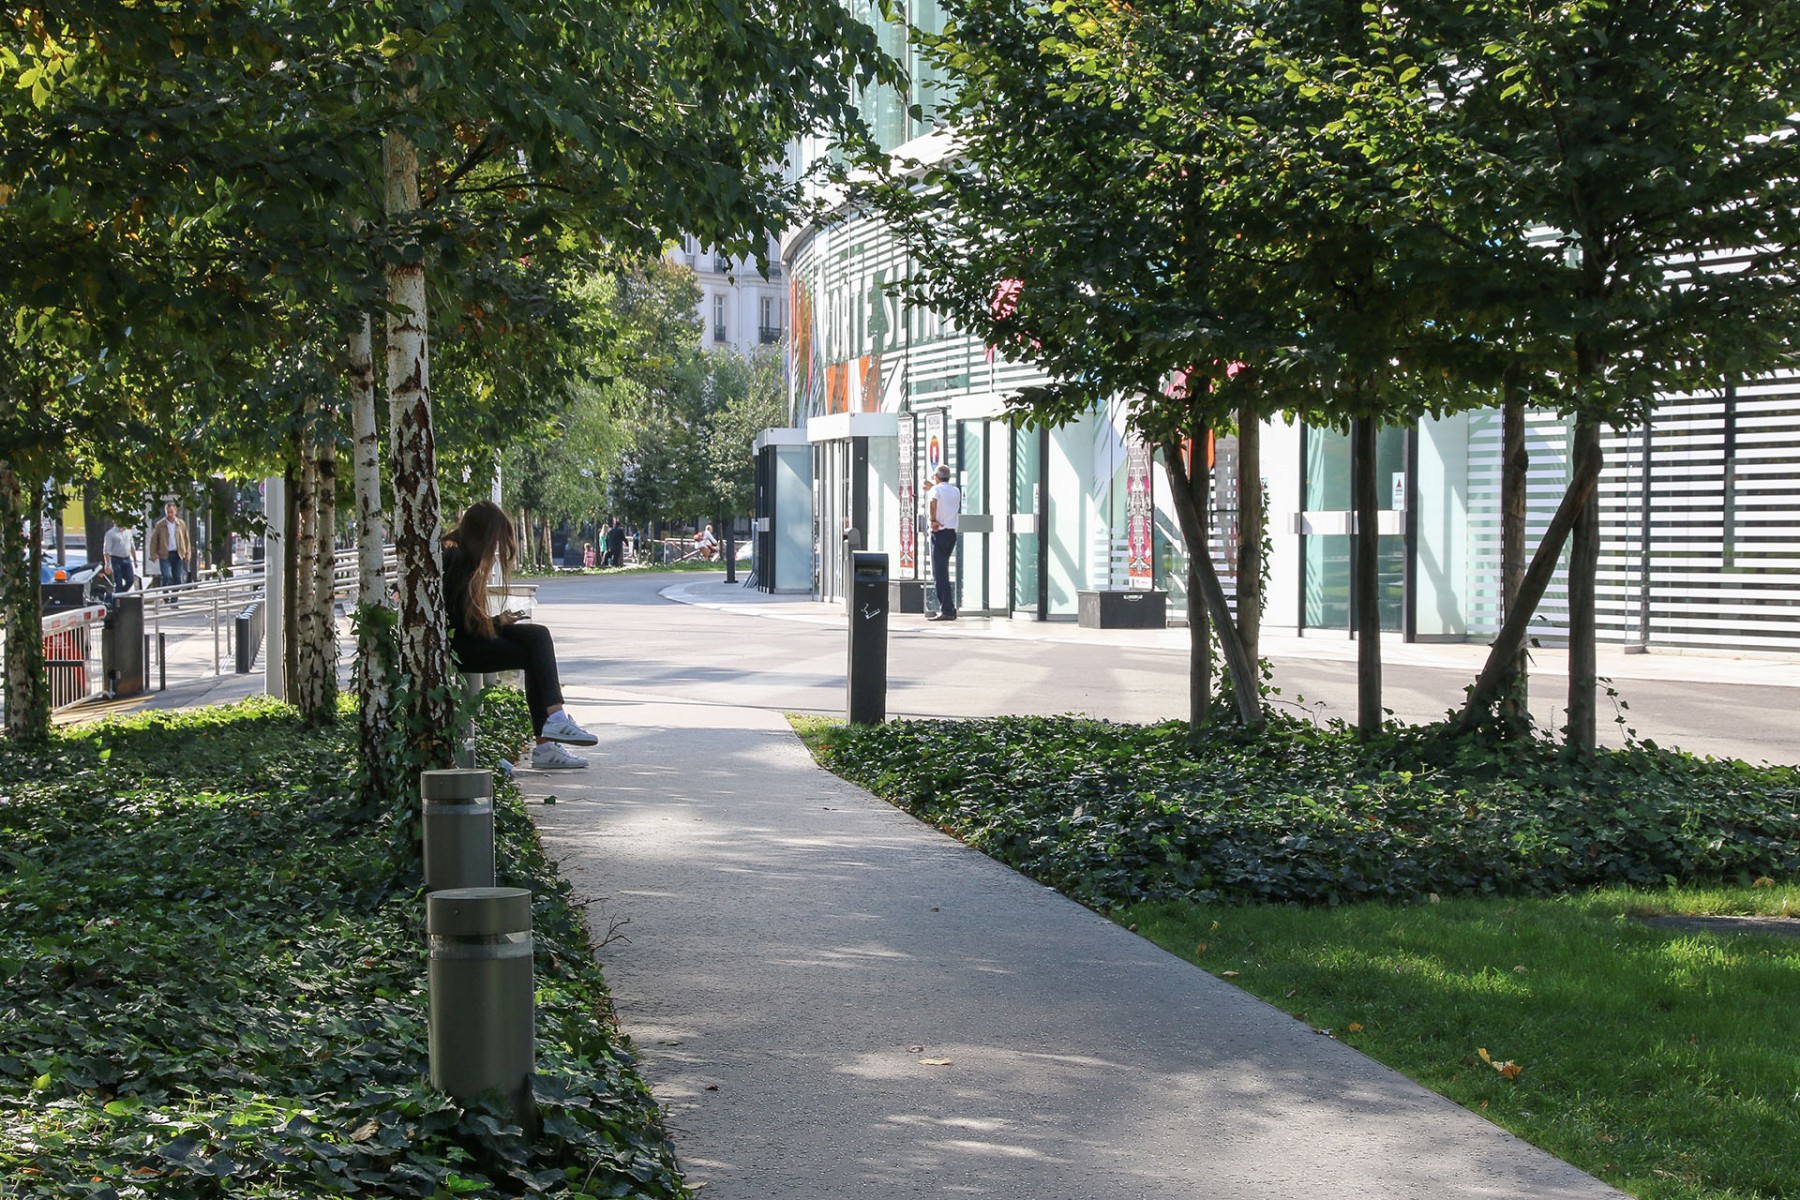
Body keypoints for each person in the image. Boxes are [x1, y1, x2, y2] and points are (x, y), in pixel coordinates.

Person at [443, 500, 600, 771]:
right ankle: (552, 729)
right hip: (460, 648)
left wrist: (496, 621)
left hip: (464, 640)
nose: (495, 550)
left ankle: (550, 733)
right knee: (536, 643)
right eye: (494, 542)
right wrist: (494, 623)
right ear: (482, 534)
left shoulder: (461, 555)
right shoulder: (456, 558)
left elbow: (462, 617)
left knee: (537, 638)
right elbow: (456, 621)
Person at [926, 464, 961, 621]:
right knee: (944, 571)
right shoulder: (955, 491)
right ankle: (949, 607)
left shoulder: (936, 491)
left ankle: (947, 610)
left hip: (939, 532)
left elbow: (933, 501)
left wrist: (933, 520)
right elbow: (943, 496)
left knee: (939, 573)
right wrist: (933, 486)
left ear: (936, 476)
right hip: (951, 534)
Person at [148, 502, 191, 596]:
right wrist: (153, 554)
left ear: (175, 512)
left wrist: (188, 554)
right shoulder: (160, 525)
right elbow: (154, 540)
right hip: (165, 554)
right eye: (168, 512)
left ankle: (174, 600)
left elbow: (186, 540)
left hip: (178, 554)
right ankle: (165, 595)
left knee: (177, 578)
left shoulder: (181, 524)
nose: (170, 514)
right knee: (167, 576)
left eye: (171, 512)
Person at [103, 522, 136, 592]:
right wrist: (107, 564)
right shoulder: (110, 533)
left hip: (127, 559)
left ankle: (121, 594)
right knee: (118, 582)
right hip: (116, 560)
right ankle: (117, 599)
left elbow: (132, 547)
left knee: (130, 580)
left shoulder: (128, 532)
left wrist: (135, 559)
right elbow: (106, 550)